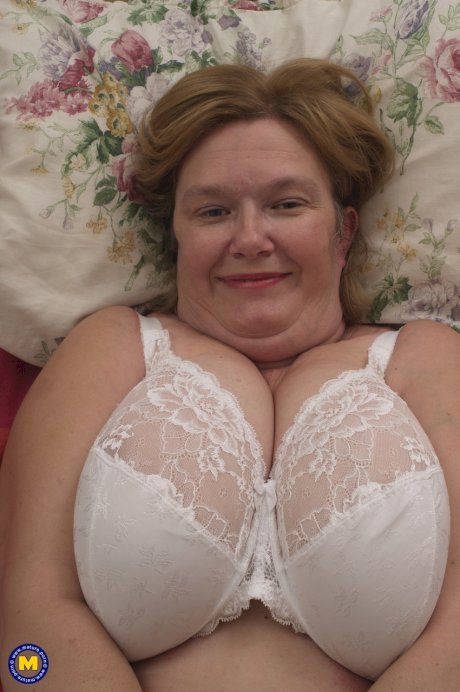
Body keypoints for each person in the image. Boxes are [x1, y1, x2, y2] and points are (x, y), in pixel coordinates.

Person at [0, 58, 459, 692]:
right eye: (213, 212)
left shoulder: (426, 358)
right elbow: (25, 629)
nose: (249, 238)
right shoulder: (111, 349)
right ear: (177, 236)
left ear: (343, 231)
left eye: (286, 204)